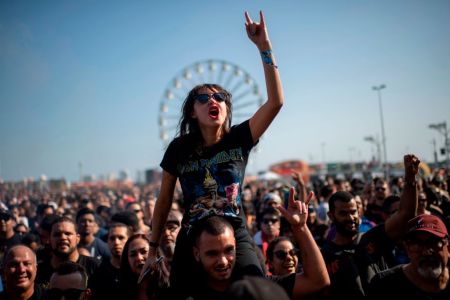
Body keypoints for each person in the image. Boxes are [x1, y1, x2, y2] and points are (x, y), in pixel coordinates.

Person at [142, 10, 284, 296]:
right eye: (204, 98)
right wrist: (153, 247)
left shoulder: (239, 139)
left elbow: (276, 102)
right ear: (192, 112)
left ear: (226, 108)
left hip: (234, 231)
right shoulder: (179, 149)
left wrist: (264, 47)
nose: (213, 100)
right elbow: (164, 199)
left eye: (219, 97)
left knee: (257, 288)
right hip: (193, 236)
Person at [186, 185, 329, 299]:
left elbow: (318, 282)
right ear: (197, 254)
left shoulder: (258, 288)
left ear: (236, 246)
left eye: (229, 250)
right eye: (212, 254)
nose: (223, 261)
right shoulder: (189, 295)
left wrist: (300, 227)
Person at [319, 154, 420, 299]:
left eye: (353, 212)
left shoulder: (373, 238)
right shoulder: (325, 256)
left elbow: (405, 215)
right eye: (343, 213)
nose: (350, 217)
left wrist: (410, 178)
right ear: (331, 216)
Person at [368, 214, 449, 299]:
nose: (426, 252)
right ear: (407, 249)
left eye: (434, 243)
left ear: (448, 248)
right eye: (417, 244)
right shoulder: (384, 285)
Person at [35, 216, 100, 286]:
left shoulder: (95, 268)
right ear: (49, 240)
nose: (63, 237)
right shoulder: (38, 271)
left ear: (77, 238)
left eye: (68, 234)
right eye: (57, 234)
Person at [90, 223, 131, 300]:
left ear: (129, 240)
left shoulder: (136, 270)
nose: (116, 242)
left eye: (121, 238)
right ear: (107, 241)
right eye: (112, 238)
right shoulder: (99, 272)